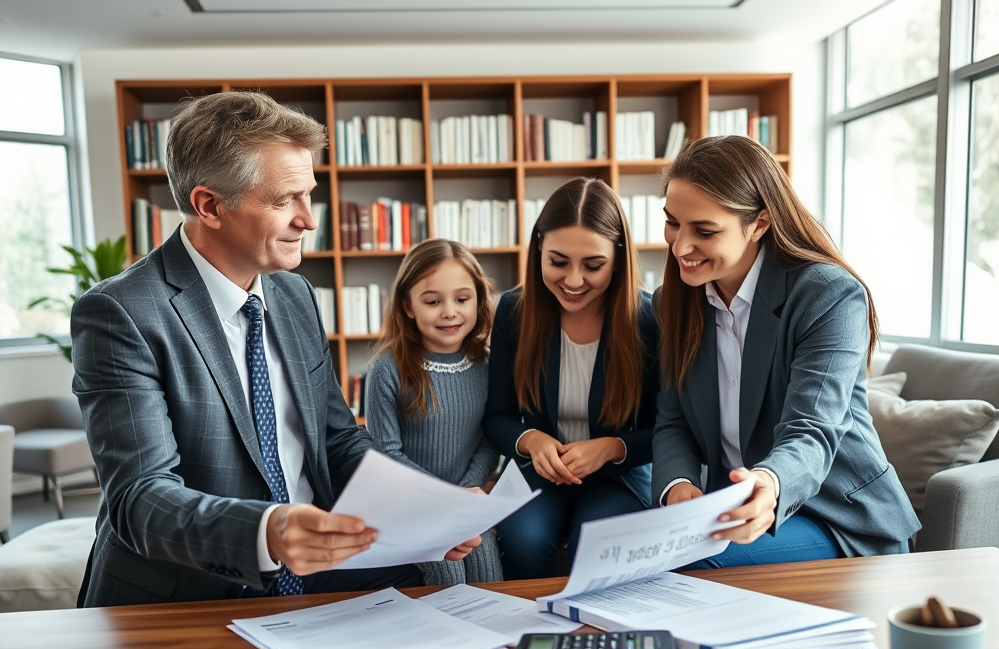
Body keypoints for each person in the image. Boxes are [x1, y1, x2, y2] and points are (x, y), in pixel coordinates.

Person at [72, 91, 478, 607]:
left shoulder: (293, 293)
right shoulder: (120, 312)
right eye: (285, 200)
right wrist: (269, 530)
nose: (308, 220)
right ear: (209, 205)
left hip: (320, 567)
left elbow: (337, 439)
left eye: (308, 195)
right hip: (194, 587)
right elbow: (140, 498)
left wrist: (423, 503)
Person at [654, 135, 921, 568]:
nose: (680, 247)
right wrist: (677, 485)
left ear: (759, 223)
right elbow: (673, 419)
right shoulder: (673, 301)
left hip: (837, 514)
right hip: (736, 509)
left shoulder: (828, 295)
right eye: (672, 223)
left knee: (687, 565)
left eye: (704, 231)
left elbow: (812, 429)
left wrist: (769, 482)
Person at [484, 177, 660, 580]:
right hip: (539, 472)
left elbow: (665, 428)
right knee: (522, 541)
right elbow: (497, 416)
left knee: (596, 545)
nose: (574, 281)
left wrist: (611, 448)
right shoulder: (514, 311)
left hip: (619, 475)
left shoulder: (648, 320)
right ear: (538, 251)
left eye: (593, 265)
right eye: (558, 262)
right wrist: (530, 440)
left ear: (617, 259)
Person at [365, 239, 503, 586]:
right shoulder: (387, 369)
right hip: (410, 504)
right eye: (432, 301)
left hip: (467, 500)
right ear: (408, 306)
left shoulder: (488, 365)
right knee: (449, 572)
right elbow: (386, 454)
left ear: (478, 301)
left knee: (487, 566)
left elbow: (489, 440)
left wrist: (466, 492)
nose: (449, 312)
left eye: (462, 299)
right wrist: (444, 499)